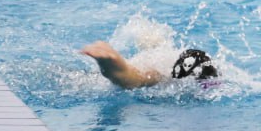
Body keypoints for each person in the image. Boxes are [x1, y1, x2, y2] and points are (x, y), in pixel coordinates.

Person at [80, 40, 218, 89]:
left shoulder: (210, 76)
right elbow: (131, 80)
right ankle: (110, 59)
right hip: (166, 64)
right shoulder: (165, 75)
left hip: (176, 59)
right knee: (138, 80)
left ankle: (149, 37)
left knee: (153, 47)